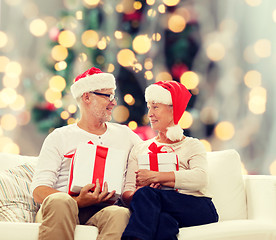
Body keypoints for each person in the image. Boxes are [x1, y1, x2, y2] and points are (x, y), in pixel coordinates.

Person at [30, 67, 142, 240]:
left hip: (101, 211)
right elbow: (38, 190)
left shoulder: (125, 135)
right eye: (108, 96)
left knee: (119, 214)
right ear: (87, 97)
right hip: (61, 208)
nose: (113, 102)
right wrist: (76, 201)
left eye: (114, 96)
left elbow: (147, 156)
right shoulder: (59, 137)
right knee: (61, 201)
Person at [121, 81, 219, 240]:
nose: (150, 113)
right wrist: (137, 194)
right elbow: (127, 193)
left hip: (198, 208)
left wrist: (155, 177)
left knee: (148, 196)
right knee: (163, 222)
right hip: (157, 207)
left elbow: (201, 179)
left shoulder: (192, 145)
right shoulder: (140, 148)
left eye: (156, 107)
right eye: (149, 107)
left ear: (174, 109)